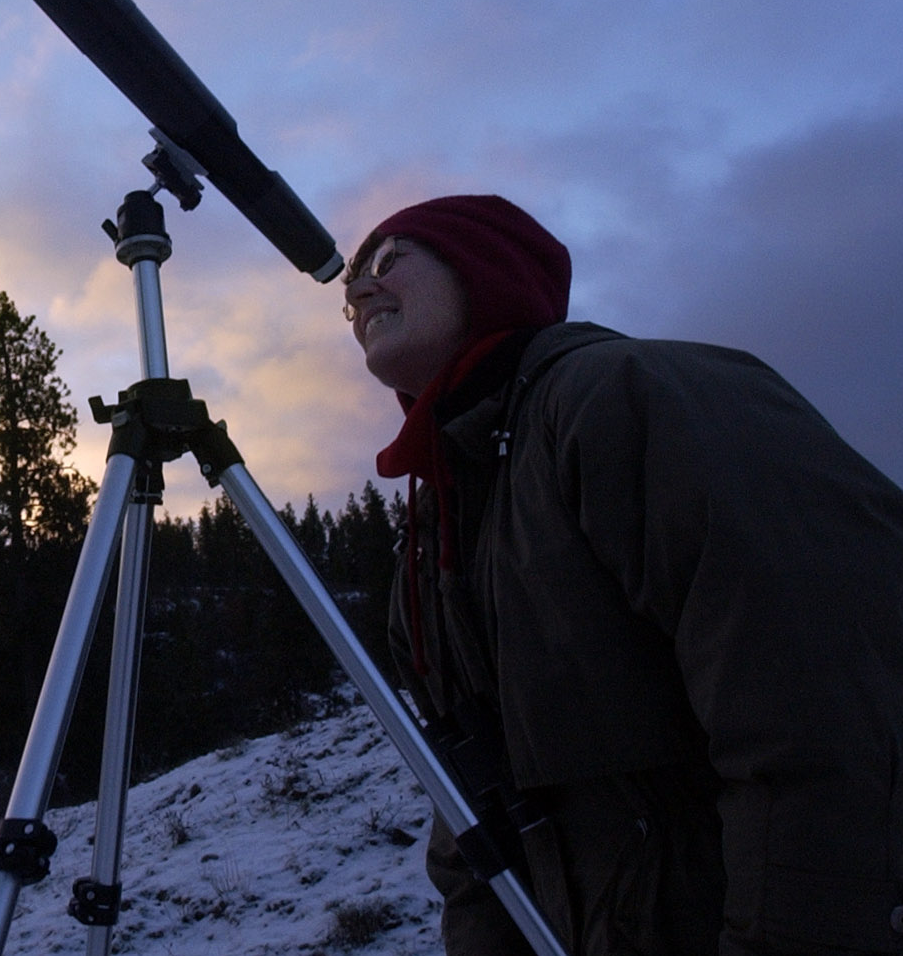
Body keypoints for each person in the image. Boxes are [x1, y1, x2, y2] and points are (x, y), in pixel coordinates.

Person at [340, 194, 903, 956]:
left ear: (482, 262)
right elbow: (472, 824)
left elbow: (827, 709)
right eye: (350, 293)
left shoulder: (621, 397)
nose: (360, 292)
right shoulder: (437, 532)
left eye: (385, 259)